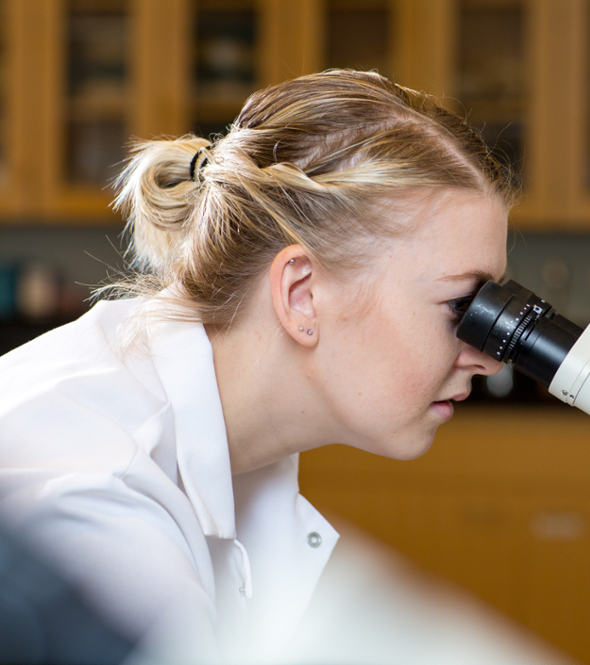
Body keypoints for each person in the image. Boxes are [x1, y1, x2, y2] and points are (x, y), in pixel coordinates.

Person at [0, 69, 512, 662]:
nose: (488, 360)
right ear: (301, 294)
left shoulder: (224, 426)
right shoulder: (97, 496)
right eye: (460, 305)